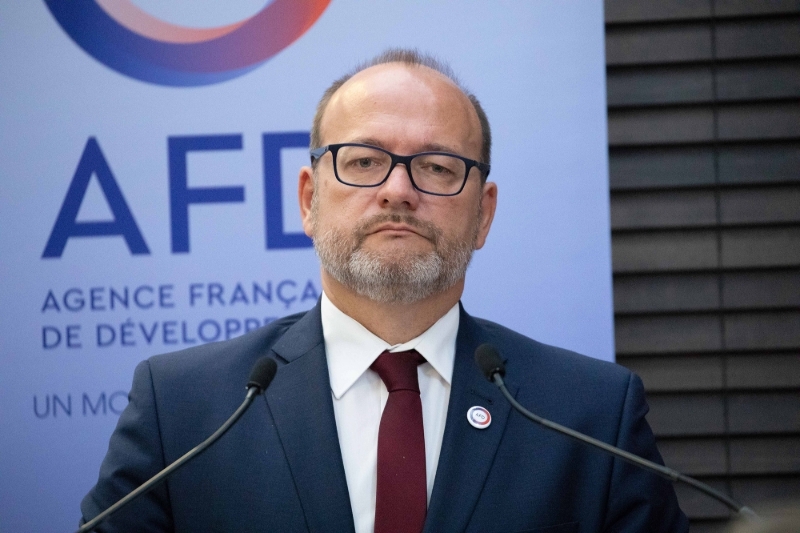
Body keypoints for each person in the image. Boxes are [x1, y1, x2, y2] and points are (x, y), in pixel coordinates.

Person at [81, 49, 688, 532]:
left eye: (437, 166)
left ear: (483, 216)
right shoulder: (184, 409)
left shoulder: (590, 415)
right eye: (365, 160)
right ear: (308, 200)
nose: (398, 189)